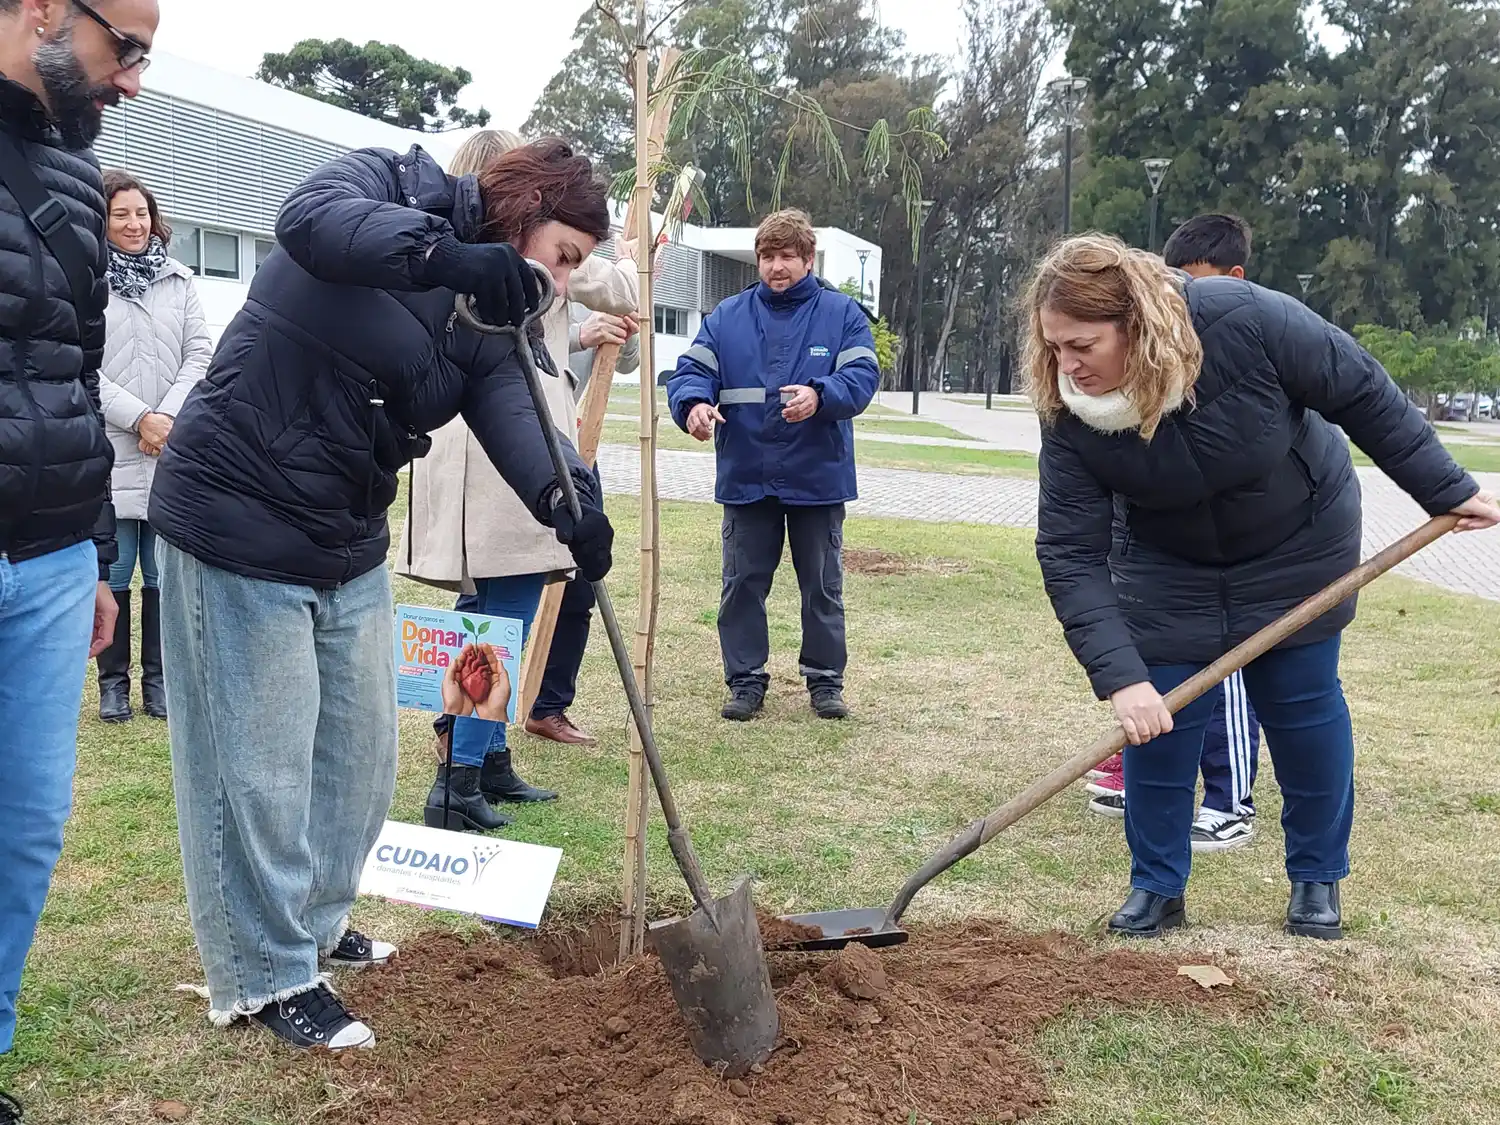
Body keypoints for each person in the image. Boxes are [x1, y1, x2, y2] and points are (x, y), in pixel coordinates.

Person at [147, 136, 615, 1052]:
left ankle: (317, 925)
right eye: (561, 257)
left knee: (359, 762)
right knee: (257, 768)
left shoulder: (492, 317)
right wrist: (449, 253)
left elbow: (516, 412)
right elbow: (311, 226)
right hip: (234, 516)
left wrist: (567, 498)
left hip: (345, 535)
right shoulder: (387, 183)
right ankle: (264, 978)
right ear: (524, 212)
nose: (561, 283)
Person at [1026, 233, 1499, 941]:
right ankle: (1156, 886)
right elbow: (1069, 550)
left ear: (1138, 324)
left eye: (1082, 345)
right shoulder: (1069, 412)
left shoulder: (1245, 320)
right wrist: (1121, 677)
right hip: (1167, 562)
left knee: (1302, 704)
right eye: (1054, 346)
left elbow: (1361, 389)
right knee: (1159, 719)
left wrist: (1446, 488)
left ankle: (1317, 877)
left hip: (1297, 542)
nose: (1067, 365)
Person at [0, 2, 157, 1120]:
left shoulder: (70, 184)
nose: (134, 81)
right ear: (50, 10)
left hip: (54, 564)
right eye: (129, 48)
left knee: (26, 828)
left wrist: (98, 559)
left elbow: (76, 381)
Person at [401, 128, 639, 832]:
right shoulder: (514, 248)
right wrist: (625, 245)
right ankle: (458, 774)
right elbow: (620, 285)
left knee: (509, 601)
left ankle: (488, 752)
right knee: (497, 610)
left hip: (496, 442)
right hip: (503, 451)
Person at [1087, 213, 1266, 841]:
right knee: (1160, 665)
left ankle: (1230, 802)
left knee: (1232, 674)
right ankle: (1145, 774)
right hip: (1170, 552)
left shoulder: (1249, 347)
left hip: (1248, 558)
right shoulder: (1149, 359)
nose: (1178, 304)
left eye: (1194, 286)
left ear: (1234, 280)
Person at [667, 209, 879, 721]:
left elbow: (863, 376)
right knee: (741, 585)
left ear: (808, 259)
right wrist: (693, 405)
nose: (776, 266)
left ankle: (825, 682)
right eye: (767, 257)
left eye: (787, 256)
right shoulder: (726, 317)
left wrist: (821, 395)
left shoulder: (843, 314)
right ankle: (745, 681)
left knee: (823, 588)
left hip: (817, 479)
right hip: (747, 476)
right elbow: (690, 370)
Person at [95, 168, 209, 722]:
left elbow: (201, 355)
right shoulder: (85, 280)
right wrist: (138, 417)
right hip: (114, 448)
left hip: (171, 448)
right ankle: (112, 684)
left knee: (164, 574)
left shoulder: (180, 280)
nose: (134, 223)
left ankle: (158, 682)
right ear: (103, 220)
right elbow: (80, 364)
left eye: (141, 212)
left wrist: (165, 417)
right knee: (113, 572)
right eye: (121, 214)